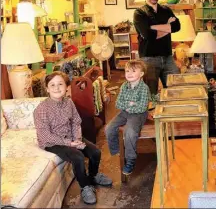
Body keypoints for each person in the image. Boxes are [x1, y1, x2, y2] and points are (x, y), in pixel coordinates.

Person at [34, 71, 112, 205]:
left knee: (95, 151)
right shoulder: (41, 109)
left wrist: (77, 138)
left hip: (71, 137)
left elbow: (76, 121)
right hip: (53, 142)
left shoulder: (69, 102)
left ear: (66, 87)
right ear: (47, 89)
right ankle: (85, 186)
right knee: (78, 156)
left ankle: (93, 176)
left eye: (60, 84)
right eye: (52, 85)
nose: (57, 88)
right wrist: (70, 143)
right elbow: (44, 135)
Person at [133, 0, 181, 97]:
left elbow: (177, 26)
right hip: (149, 60)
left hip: (168, 57)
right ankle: (152, 115)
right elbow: (149, 35)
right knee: (150, 95)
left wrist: (154, 27)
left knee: (175, 90)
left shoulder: (166, 10)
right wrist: (167, 27)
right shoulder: (139, 13)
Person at [105, 60, 150, 175]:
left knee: (129, 132)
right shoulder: (124, 86)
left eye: (133, 71)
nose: (129, 73)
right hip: (125, 112)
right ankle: (118, 152)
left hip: (138, 114)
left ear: (141, 74)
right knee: (109, 128)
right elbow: (118, 103)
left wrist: (130, 106)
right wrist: (130, 105)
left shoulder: (144, 88)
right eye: (127, 71)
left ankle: (131, 159)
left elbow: (142, 107)